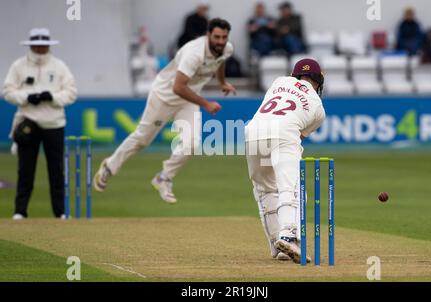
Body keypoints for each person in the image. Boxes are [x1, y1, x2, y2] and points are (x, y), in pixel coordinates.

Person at [94, 18, 236, 203]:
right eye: (216, 37)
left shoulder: (226, 49)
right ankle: (108, 167)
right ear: (208, 34)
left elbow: (221, 61)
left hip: (188, 100)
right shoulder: (194, 53)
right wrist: (206, 104)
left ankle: (164, 177)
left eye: (224, 37)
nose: (220, 41)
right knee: (142, 140)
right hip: (164, 96)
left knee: (191, 144)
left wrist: (222, 82)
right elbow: (178, 87)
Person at [244, 58, 325, 262]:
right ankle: (288, 235)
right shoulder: (318, 108)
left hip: (253, 134)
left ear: (293, 76)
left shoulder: (278, 82)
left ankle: (277, 244)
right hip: (284, 135)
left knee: (265, 189)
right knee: (292, 187)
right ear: (318, 82)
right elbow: (299, 136)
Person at [2, 28, 77, 220]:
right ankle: (20, 211)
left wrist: (52, 97)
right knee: (25, 169)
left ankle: (60, 212)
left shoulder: (59, 66)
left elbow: (71, 93)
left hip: (54, 123)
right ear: (31, 45)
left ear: (49, 45)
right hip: (29, 122)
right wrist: (27, 97)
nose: (41, 48)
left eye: (44, 45)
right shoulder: (19, 66)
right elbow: (7, 92)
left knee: (56, 170)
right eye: (37, 45)